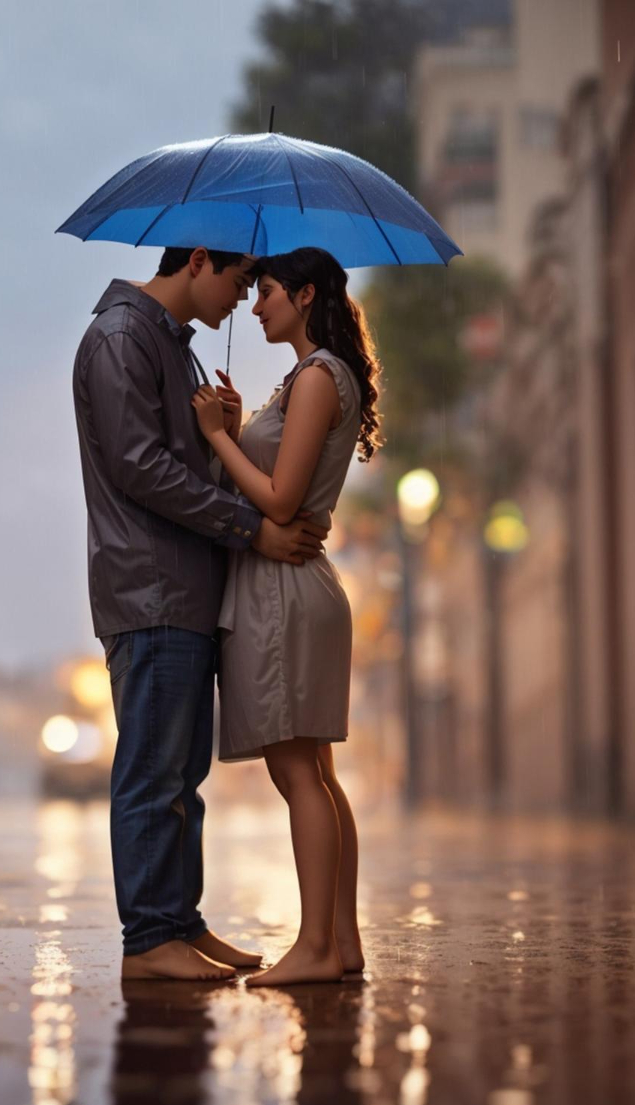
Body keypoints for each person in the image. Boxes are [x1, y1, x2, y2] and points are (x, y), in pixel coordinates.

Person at [73, 245, 332, 981]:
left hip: (184, 586)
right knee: (154, 768)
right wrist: (252, 527)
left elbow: (181, 465)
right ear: (196, 261)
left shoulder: (169, 346)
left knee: (181, 771)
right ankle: (151, 936)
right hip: (150, 587)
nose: (241, 300)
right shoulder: (123, 336)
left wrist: (221, 430)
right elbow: (140, 466)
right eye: (238, 281)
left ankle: (178, 922)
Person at [191, 246, 379, 986]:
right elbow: (274, 480)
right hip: (296, 588)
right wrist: (238, 430)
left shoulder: (316, 377)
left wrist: (213, 439)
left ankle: (316, 945)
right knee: (319, 777)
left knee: (298, 772)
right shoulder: (310, 378)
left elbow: (277, 499)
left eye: (266, 291)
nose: (255, 304)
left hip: (284, 591)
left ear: (304, 296)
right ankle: (342, 940)